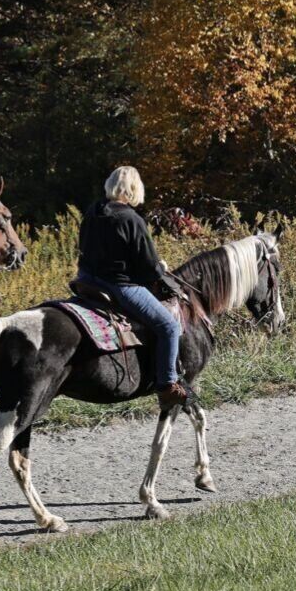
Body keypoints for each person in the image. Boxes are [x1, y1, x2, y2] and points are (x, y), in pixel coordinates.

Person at [76, 165, 186, 409]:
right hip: (118, 285)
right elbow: (148, 268)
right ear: (135, 189)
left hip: (86, 280)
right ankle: (167, 384)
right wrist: (161, 266)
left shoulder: (93, 212)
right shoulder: (131, 219)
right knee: (168, 325)